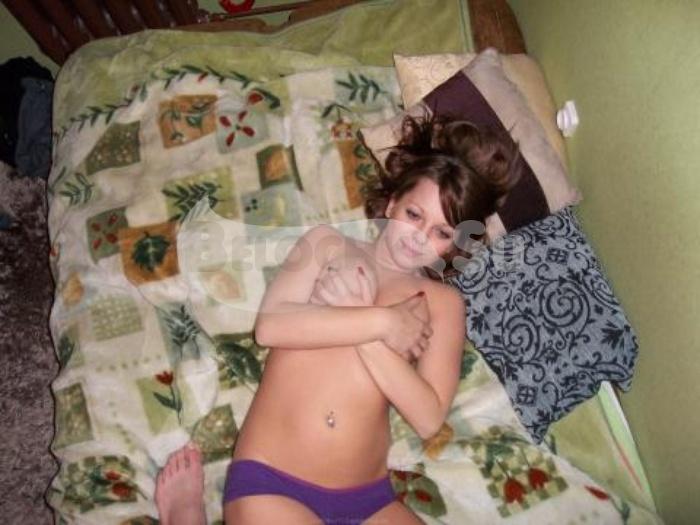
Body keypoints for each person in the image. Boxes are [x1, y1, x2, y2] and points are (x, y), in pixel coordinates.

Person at [154, 113, 521, 525]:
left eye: (441, 232)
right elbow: (271, 326)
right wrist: (382, 323)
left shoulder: (442, 303)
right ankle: (186, 516)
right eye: (415, 215)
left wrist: (364, 327)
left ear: (453, 245)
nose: (420, 237)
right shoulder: (328, 244)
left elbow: (428, 417)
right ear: (392, 203)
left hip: (369, 498)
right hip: (273, 479)